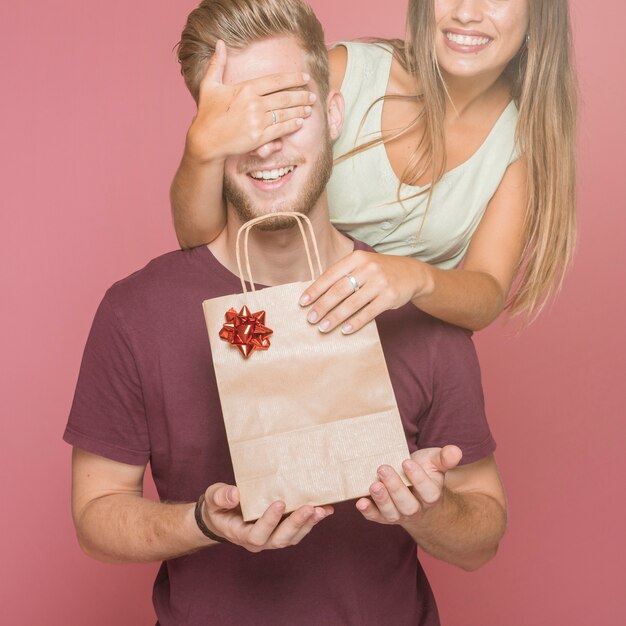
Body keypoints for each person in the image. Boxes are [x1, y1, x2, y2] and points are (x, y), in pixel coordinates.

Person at [64, 1, 506, 624]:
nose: (266, 140)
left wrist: (427, 509)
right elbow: (95, 516)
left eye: (289, 111)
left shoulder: (413, 303)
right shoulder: (136, 313)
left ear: (332, 114)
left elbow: (483, 535)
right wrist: (201, 522)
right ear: (205, 134)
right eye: (240, 116)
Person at [170, 0, 577, 334]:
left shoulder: (518, 147)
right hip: (268, 332)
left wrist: (415, 278)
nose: (466, 12)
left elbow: (486, 293)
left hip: (392, 360)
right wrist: (201, 148)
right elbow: (202, 241)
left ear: (539, 11)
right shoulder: (345, 74)